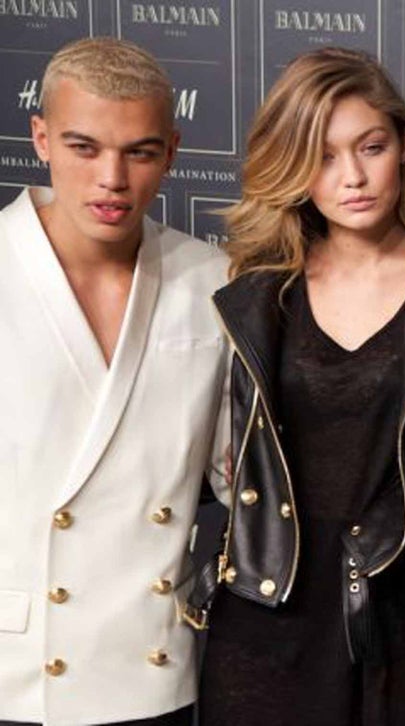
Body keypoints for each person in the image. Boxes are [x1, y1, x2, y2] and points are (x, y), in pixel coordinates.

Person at [193, 47, 405, 725]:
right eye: (323, 157)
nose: (354, 177)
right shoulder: (258, 288)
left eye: (371, 147)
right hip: (266, 617)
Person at [0, 38, 229, 726]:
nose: (112, 179)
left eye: (140, 152)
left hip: (150, 667)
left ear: (173, 151)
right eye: (84, 148)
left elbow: (246, 471)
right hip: (16, 669)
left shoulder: (214, 280)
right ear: (41, 138)